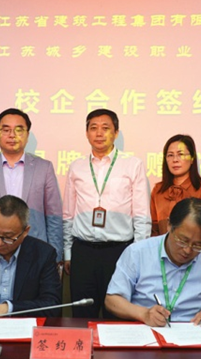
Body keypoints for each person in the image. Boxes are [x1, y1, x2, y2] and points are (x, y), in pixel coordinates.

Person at [63, 108, 150, 318]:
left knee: (117, 316)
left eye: (105, 128)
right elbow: (68, 214)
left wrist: (137, 255)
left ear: (116, 132)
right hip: (83, 252)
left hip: (118, 252)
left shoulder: (133, 165)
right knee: (82, 314)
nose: (99, 133)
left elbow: (141, 215)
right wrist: (68, 252)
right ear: (87, 133)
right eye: (93, 128)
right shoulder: (76, 167)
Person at [105, 197, 201, 327]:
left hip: (194, 335)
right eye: (182, 241)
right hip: (147, 332)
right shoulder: (138, 253)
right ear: (169, 225)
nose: (187, 250)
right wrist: (144, 314)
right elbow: (112, 300)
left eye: (198, 245)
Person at [0, 108, 63, 263]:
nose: (12, 135)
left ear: (27, 135)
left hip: (35, 250)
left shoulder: (44, 168)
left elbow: (53, 216)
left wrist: (55, 256)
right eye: (6, 130)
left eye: (19, 130)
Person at [150, 134, 201, 236]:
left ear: (192, 158)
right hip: (161, 245)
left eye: (180, 154)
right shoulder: (158, 190)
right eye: (170, 155)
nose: (175, 160)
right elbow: (153, 227)